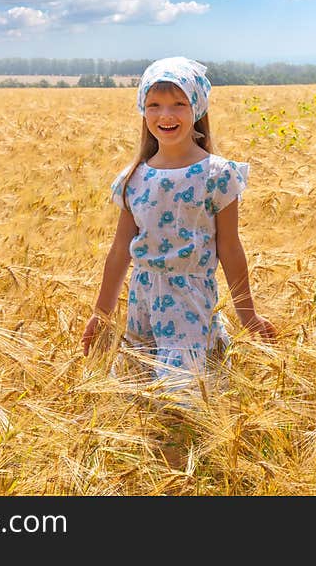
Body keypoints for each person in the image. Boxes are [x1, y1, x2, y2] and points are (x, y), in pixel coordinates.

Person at [81, 56, 275, 399]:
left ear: (197, 107)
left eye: (178, 104)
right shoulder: (134, 179)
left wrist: (249, 316)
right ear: (143, 109)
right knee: (139, 395)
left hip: (190, 300)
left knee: (183, 394)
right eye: (154, 105)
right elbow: (119, 251)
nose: (165, 115)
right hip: (142, 301)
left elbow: (230, 248)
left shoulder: (217, 175)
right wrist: (102, 313)